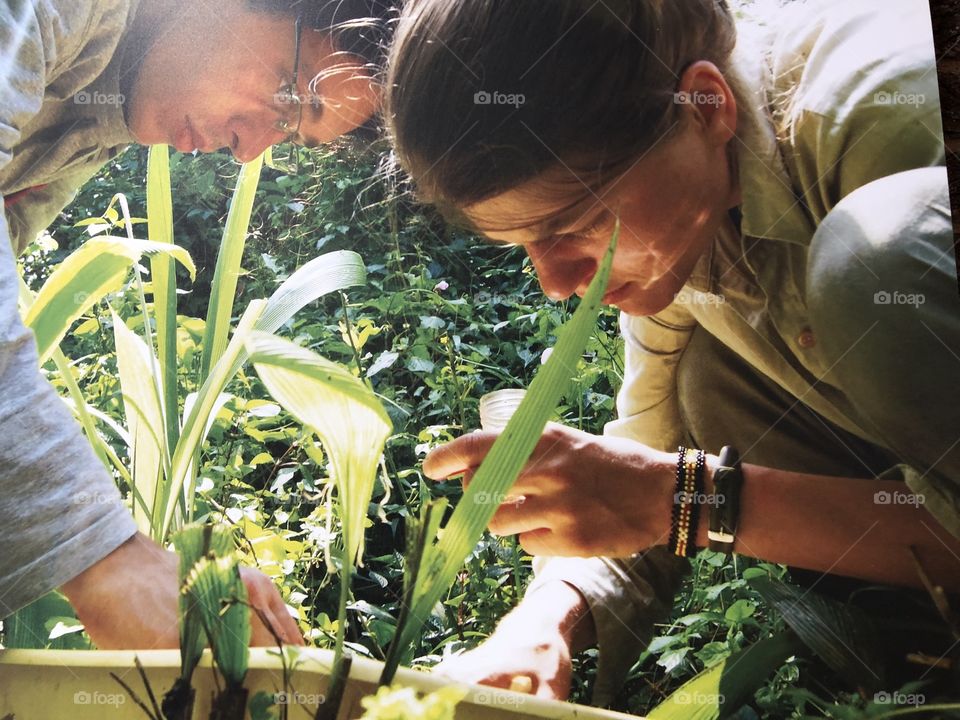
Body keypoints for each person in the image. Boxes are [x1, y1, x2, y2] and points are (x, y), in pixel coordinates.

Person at [384, 0, 960, 704]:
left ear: (706, 106)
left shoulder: (892, 114)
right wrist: (543, 623)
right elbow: (642, 467)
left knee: (874, 261)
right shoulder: (680, 226)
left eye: (580, 223)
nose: (559, 285)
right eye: (523, 244)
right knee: (704, 381)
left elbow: (664, 493)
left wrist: (684, 497)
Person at [0, 0, 395, 649]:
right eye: (290, 93)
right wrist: (105, 558)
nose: (248, 150)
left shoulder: (91, 123)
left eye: (287, 132)